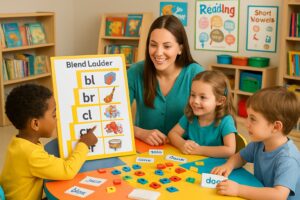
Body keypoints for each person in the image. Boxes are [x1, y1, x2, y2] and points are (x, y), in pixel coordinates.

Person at [0, 84, 98, 200]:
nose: (57, 119)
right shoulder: (31, 155)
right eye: (54, 115)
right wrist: (84, 143)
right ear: (35, 124)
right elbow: (68, 170)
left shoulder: (18, 141)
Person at [211, 86, 300, 200]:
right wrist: (228, 166)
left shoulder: (288, 159)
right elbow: (241, 157)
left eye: (253, 119)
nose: (246, 123)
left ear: (276, 126)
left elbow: (279, 195)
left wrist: (238, 190)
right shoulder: (260, 142)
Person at [127, 15, 204, 146]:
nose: (158, 53)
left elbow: (216, 117)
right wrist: (139, 133)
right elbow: (113, 118)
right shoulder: (135, 72)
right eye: (153, 45)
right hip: (143, 149)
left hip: (185, 151)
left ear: (180, 48)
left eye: (167, 46)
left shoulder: (196, 73)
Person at [168, 70, 237, 158]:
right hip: (190, 163)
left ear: (220, 100)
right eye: (193, 95)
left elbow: (230, 150)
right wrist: (182, 144)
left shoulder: (226, 120)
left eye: (202, 97)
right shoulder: (190, 116)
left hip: (213, 167)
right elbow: (172, 134)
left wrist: (199, 150)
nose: (195, 101)